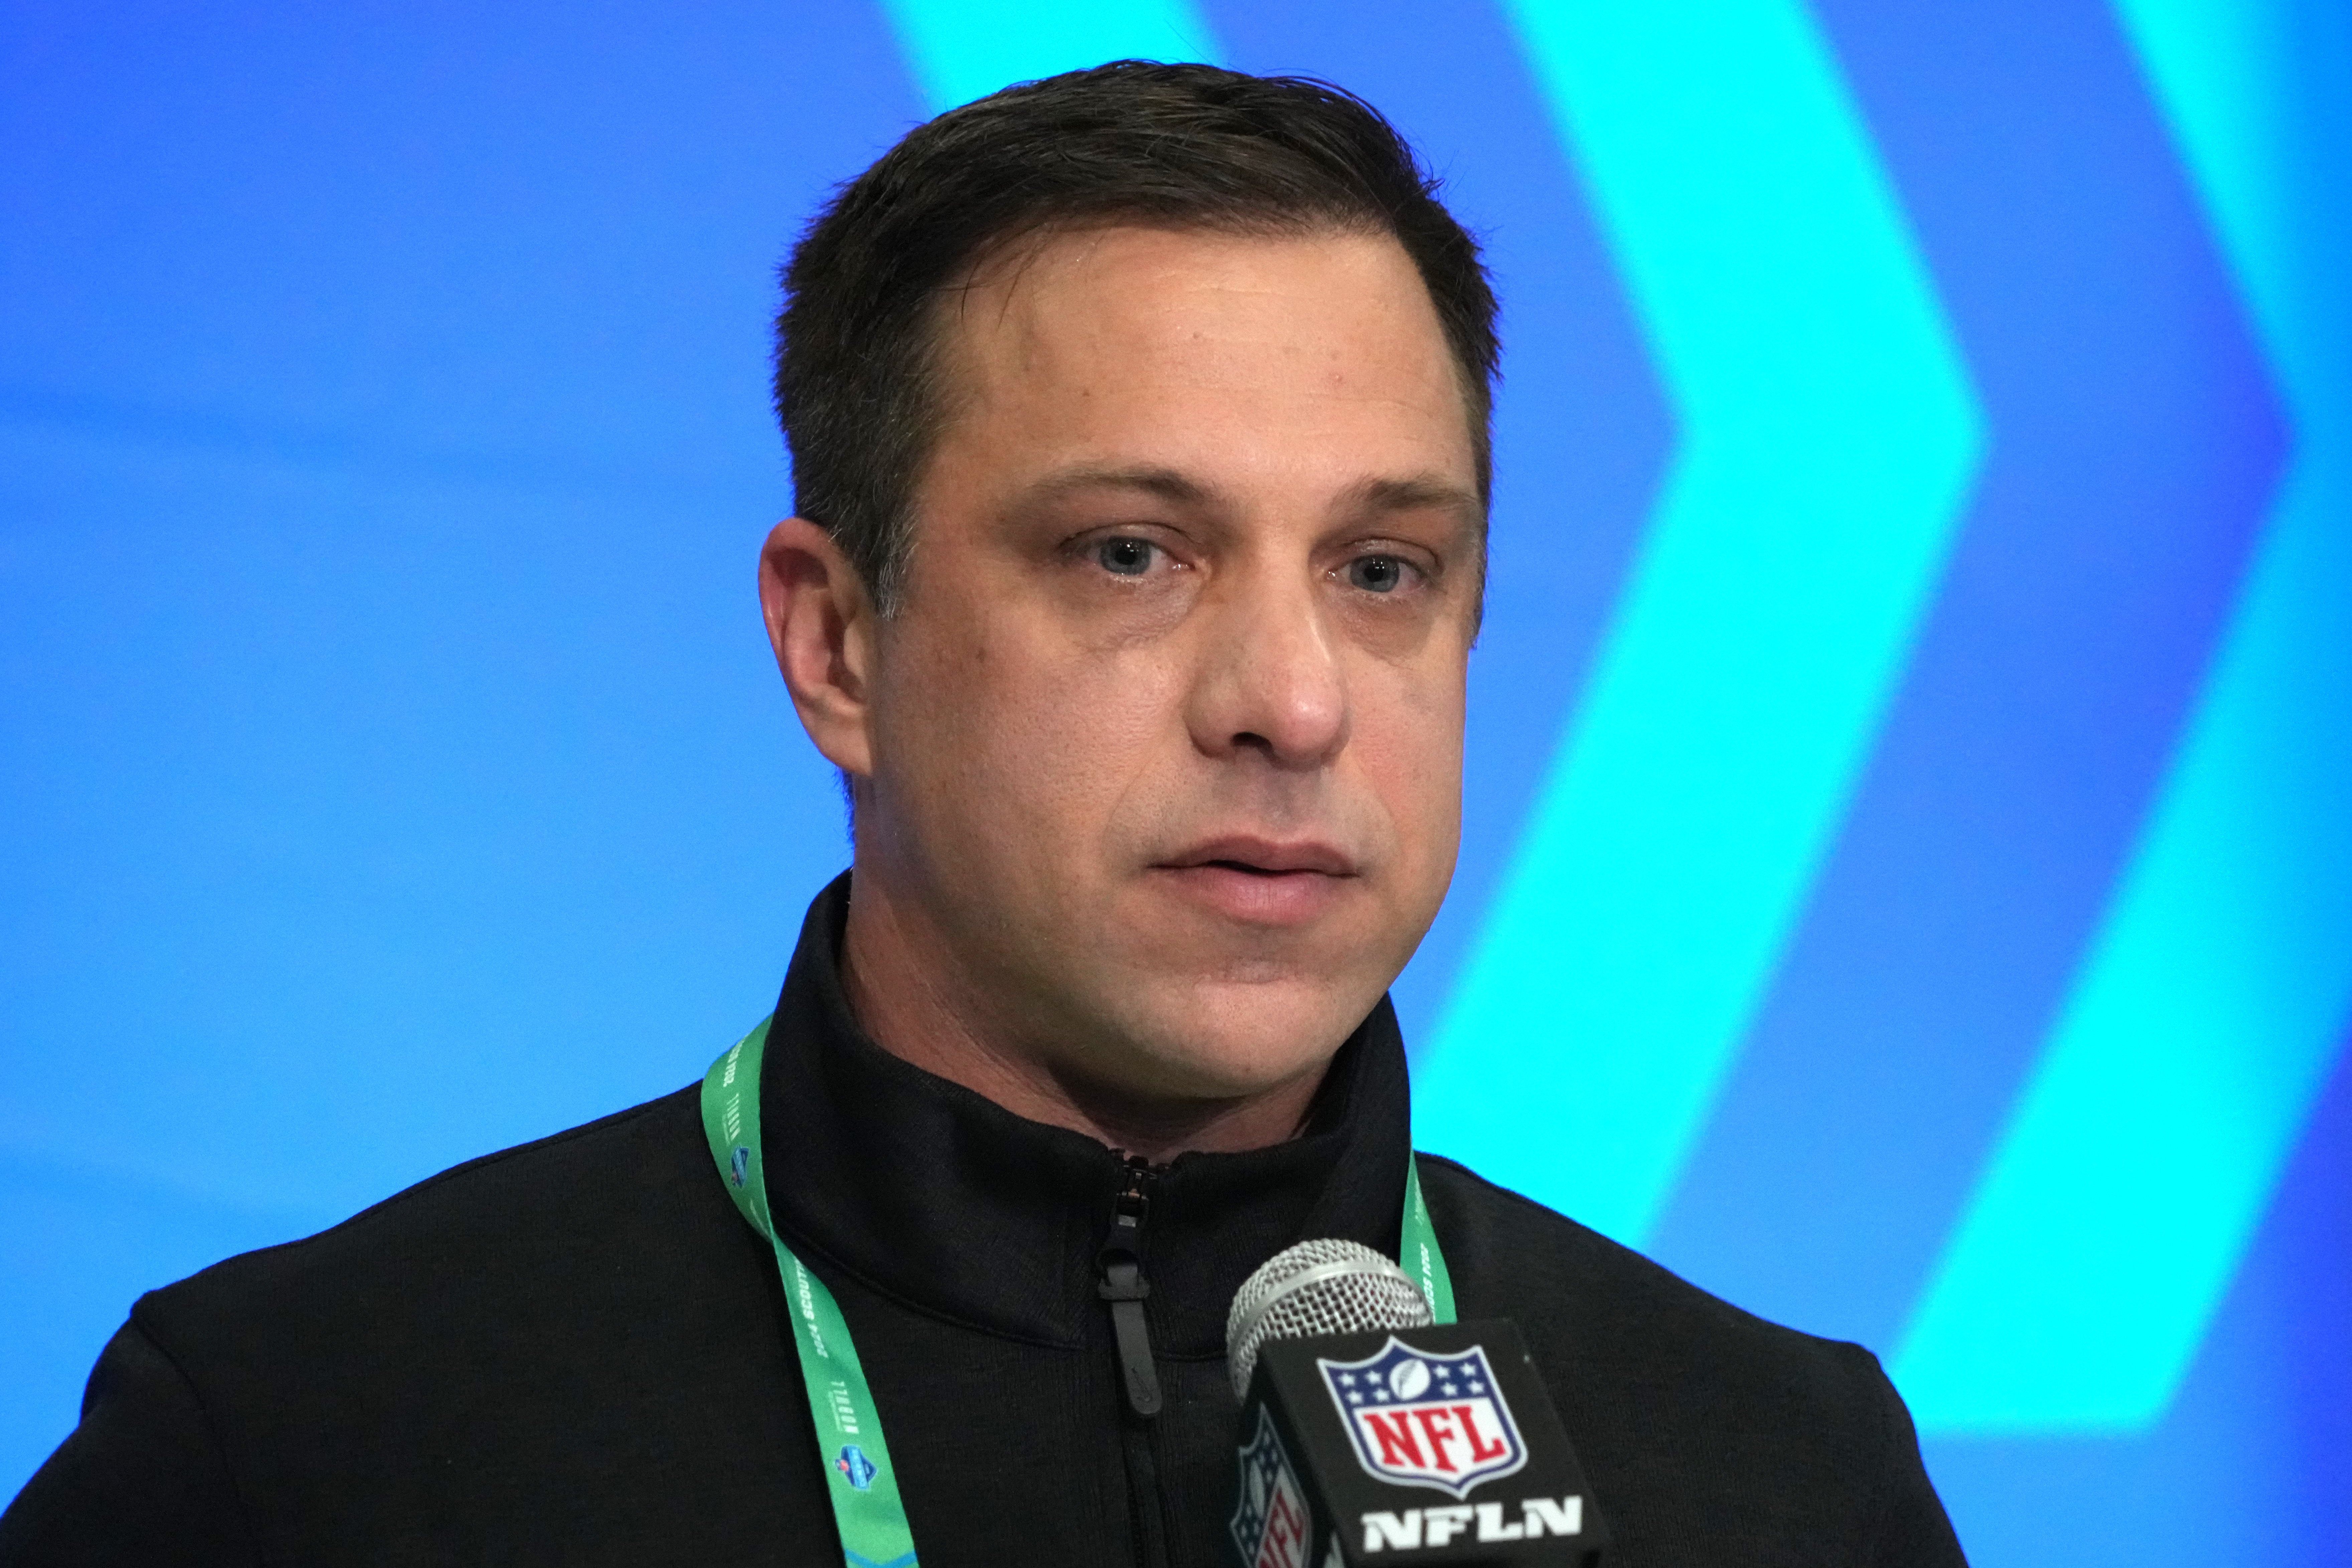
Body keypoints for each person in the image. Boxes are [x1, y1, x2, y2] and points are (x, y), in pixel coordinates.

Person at [0, 62, 1965, 1566]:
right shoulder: (304, 1446)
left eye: (1383, 569)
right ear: (836, 643)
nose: (1292, 702)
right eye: (1131, 553)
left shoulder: (1784, 1474)